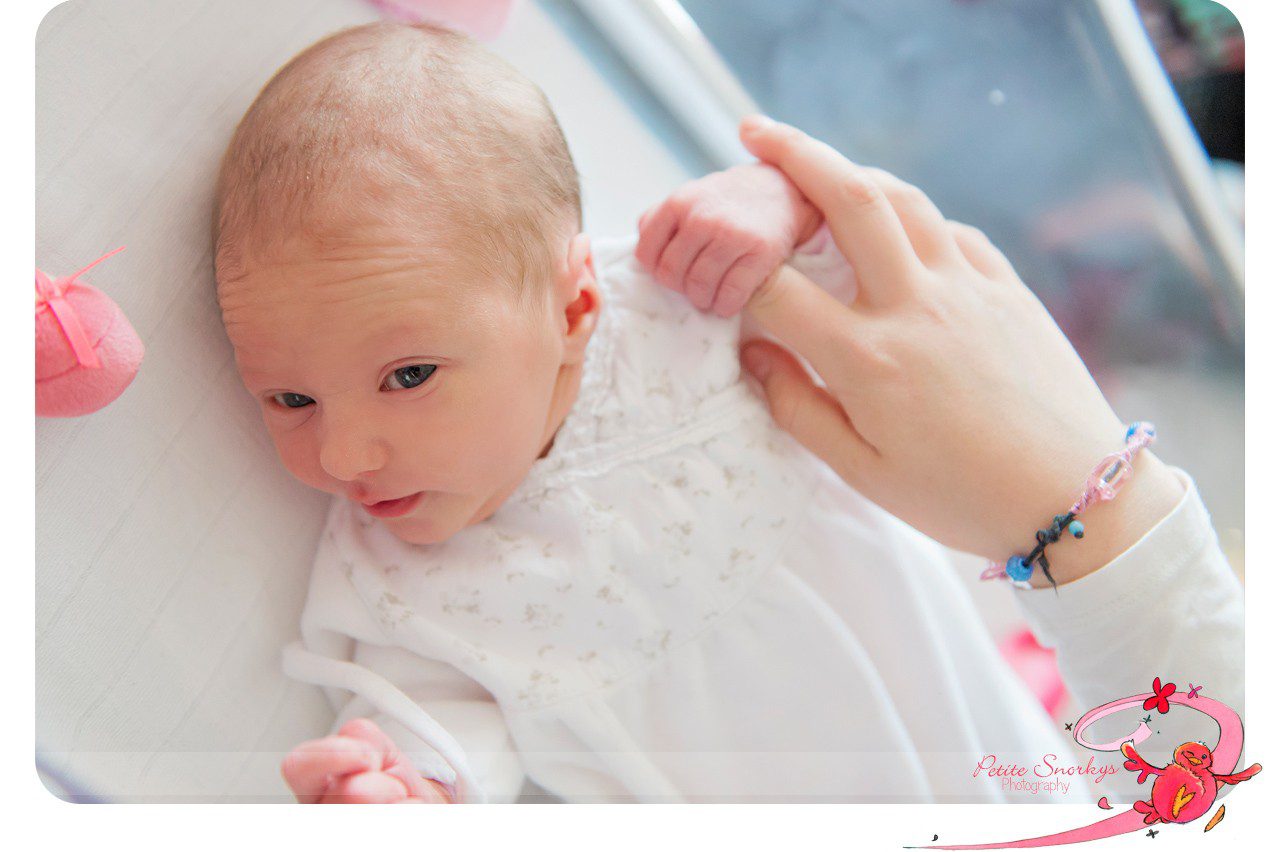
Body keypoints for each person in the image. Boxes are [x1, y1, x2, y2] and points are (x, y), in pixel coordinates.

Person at [212, 22, 1243, 804]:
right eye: (289, 398)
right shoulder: (384, 570)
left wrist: (775, 207)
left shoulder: (674, 313)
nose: (343, 453)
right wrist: (406, 779)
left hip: (971, 748)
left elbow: (905, 292)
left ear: (573, 305)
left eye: (407, 376)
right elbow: (438, 712)